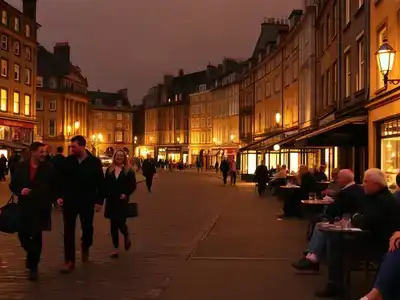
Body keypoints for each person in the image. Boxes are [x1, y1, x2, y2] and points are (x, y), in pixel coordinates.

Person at [315, 168, 400, 297]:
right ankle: (324, 269)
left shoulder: (383, 201)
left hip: (376, 243)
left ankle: (335, 284)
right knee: (332, 238)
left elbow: (365, 220)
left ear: (376, 184)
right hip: (370, 237)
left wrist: (356, 219)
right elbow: (359, 215)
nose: (363, 184)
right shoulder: (373, 197)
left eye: (366, 181)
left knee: (335, 242)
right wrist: (357, 218)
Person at [292, 169, 364, 272]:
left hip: (347, 222)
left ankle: (312, 256)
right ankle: (312, 255)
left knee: (321, 226)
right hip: (350, 220)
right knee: (320, 224)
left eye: (339, 178)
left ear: (345, 179)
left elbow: (333, 210)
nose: (337, 180)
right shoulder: (358, 189)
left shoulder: (345, 193)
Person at [9, 142, 60, 281]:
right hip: (25, 206)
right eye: (41, 152)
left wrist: (57, 198)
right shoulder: (21, 166)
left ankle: (33, 267)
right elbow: (13, 184)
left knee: (37, 235)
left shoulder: (48, 167)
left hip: (41, 206)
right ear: (33, 152)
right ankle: (31, 255)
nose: (44, 154)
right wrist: (20, 190)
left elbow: (54, 185)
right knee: (23, 235)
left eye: (45, 152)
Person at [57, 135, 104, 274]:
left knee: (87, 228)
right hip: (70, 201)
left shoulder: (94, 162)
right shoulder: (68, 161)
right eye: (71, 146)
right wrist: (59, 196)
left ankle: (86, 245)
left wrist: (99, 201)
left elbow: (100, 183)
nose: (72, 149)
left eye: (74, 146)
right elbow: (61, 180)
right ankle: (69, 260)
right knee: (68, 231)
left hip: (87, 201)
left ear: (83, 146)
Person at [103, 150, 136, 258]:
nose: (119, 157)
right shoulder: (109, 170)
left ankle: (126, 234)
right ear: (114, 157)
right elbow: (105, 184)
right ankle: (115, 248)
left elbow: (133, 185)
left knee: (121, 222)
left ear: (124, 158)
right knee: (113, 224)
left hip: (122, 200)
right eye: (117, 155)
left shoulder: (129, 170)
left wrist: (126, 194)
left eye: (121, 156)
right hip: (112, 200)